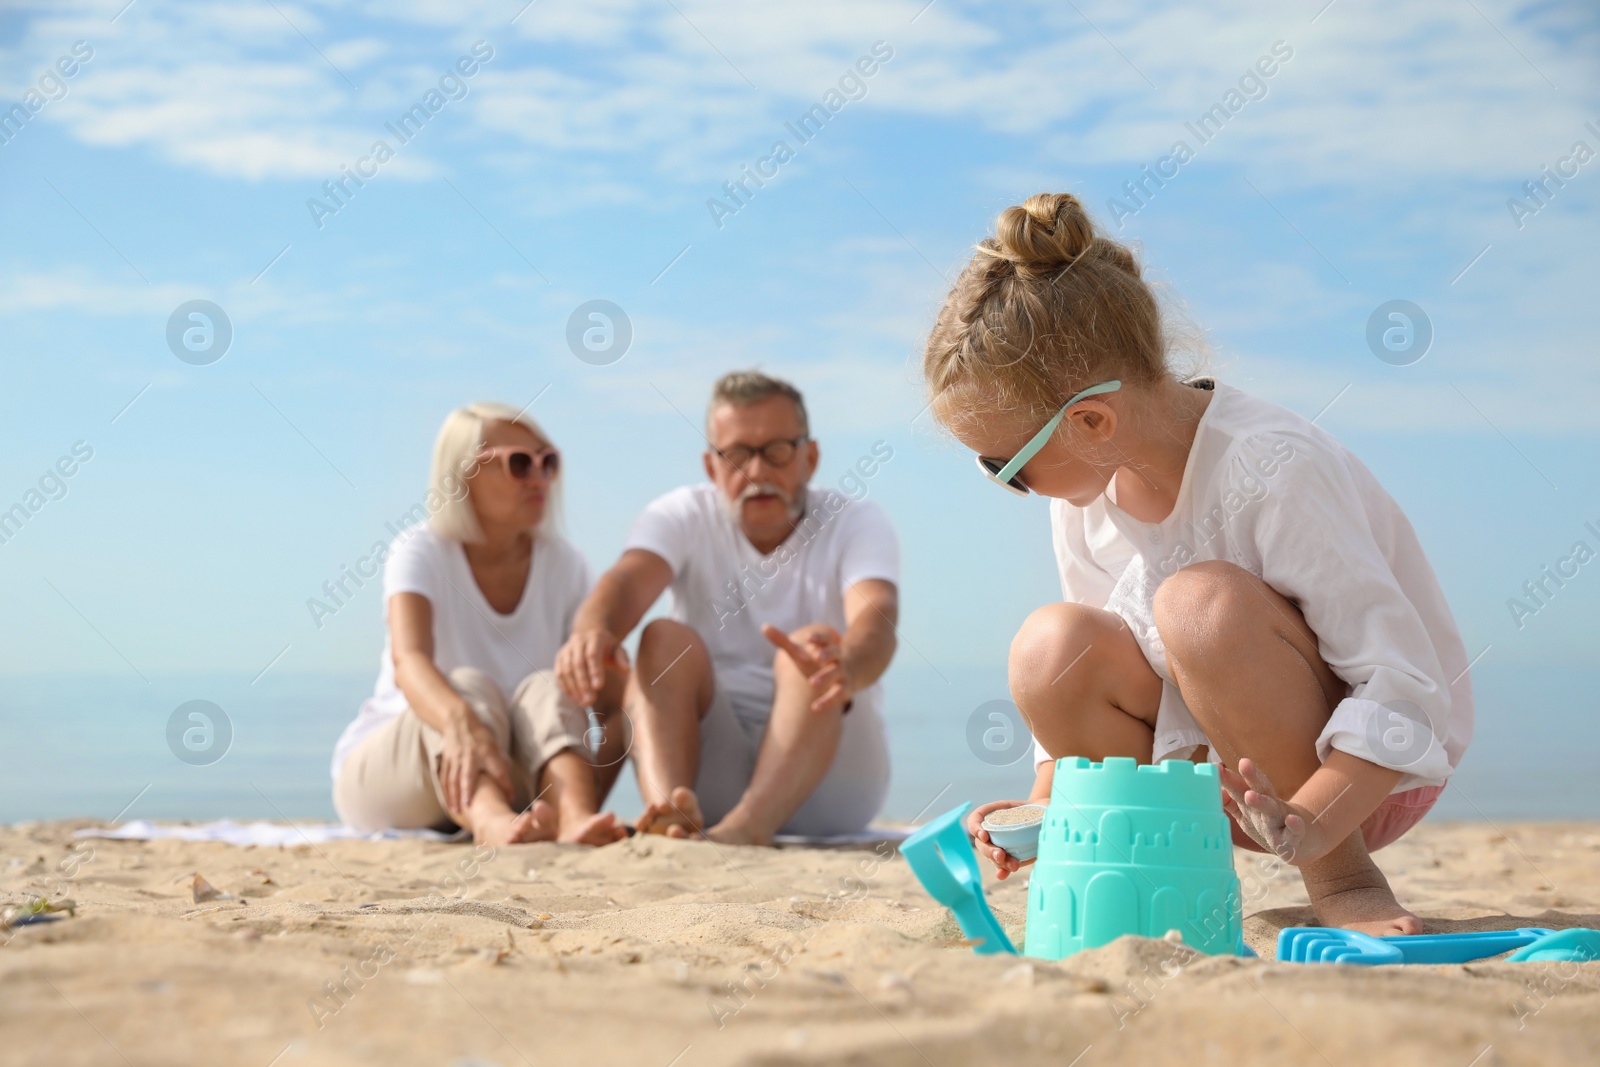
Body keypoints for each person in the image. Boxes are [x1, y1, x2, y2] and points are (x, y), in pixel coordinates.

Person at [924, 193, 1472, 936]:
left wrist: (1315, 818)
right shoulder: (1085, 492)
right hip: (1228, 791)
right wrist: (1051, 798)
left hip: (1361, 781)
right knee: (1049, 644)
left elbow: (1405, 693)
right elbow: (1094, 669)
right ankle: (1147, 856)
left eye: (1006, 467)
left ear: (1089, 421)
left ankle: (1344, 882)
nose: (1008, 488)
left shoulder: (1273, 466)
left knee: (1197, 606)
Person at [555, 371, 900, 844]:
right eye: (737, 455)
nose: (756, 472)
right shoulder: (680, 514)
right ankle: (670, 811)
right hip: (714, 772)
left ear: (810, 457)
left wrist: (849, 665)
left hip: (831, 779)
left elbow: (876, 615)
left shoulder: (855, 520)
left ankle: (751, 827)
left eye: (776, 451)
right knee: (661, 637)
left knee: (812, 647)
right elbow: (626, 581)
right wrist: (592, 632)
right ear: (711, 466)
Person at [331, 402, 629, 847]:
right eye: (519, 463)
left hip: (511, 770)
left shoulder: (566, 564)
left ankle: (575, 818)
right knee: (465, 687)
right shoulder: (421, 549)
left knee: (549, 686)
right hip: (400, 771)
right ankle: (491, 823)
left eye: (548, 462)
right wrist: (459, 721)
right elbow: (408, 660)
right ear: (463, 473)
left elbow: (603, 703)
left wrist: (612, 681)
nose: (539, 478)